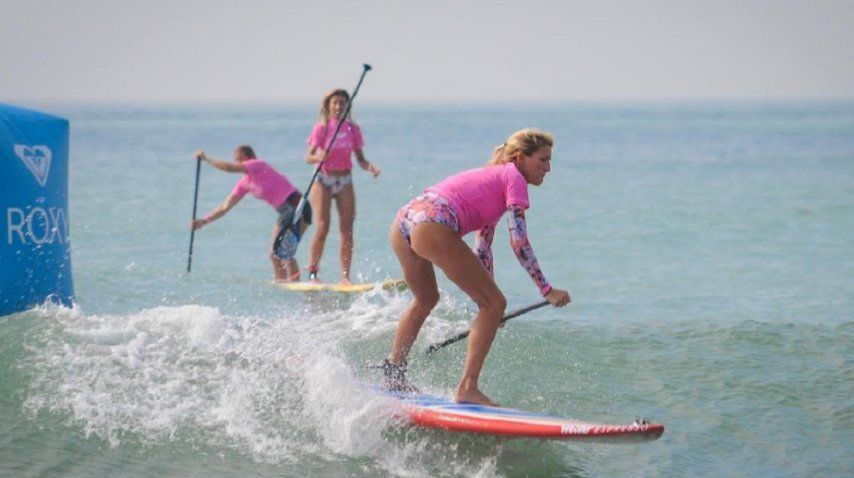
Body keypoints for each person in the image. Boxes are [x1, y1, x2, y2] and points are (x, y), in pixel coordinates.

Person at [381, 128, 571, 406]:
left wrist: (489, 305)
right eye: (543, 160)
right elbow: (519, 242)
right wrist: (546, 289)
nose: (548, 168)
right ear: (520, 158)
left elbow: (483, 247)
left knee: (428, 299)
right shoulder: (514, 178)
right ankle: (467, 388)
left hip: (404, 222)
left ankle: (394, 375)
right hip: (432, 224)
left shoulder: (493, 179)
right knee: (494, 303)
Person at [190, 145, 312, 282]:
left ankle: (293, 285)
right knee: (278, 254)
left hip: (297, 206)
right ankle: (283, 285)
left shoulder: (258, 165)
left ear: (249, 157)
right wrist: (204, 221)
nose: (238, 163)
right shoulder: (244, 183)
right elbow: (225, 207)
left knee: (283, 253)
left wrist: (207, 159)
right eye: (236, 160)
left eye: (240, 159)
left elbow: (229, 168)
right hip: (286, 211)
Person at [304, 88, 381, 284]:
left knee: (347, 229)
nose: (338, 106)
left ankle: (345, 276)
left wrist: (370, 167)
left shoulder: (352, 129)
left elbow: (360, 159)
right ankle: (313, 274)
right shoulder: (321, 128)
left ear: (347, 106)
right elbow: (308, 156)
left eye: (342, 103)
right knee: (323, 227)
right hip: (323, 180)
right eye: (335, 103)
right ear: (328, 106)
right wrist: (319, 157)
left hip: (345, 180)